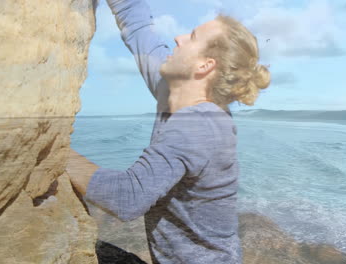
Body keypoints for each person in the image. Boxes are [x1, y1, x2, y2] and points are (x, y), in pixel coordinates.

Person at [67, 0, 271, 263]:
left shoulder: (199, 125)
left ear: (204, 66)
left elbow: (127, 197)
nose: (178, 38)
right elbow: (138, 26)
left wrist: (54, 152)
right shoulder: (173, 88)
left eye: (192, 37)